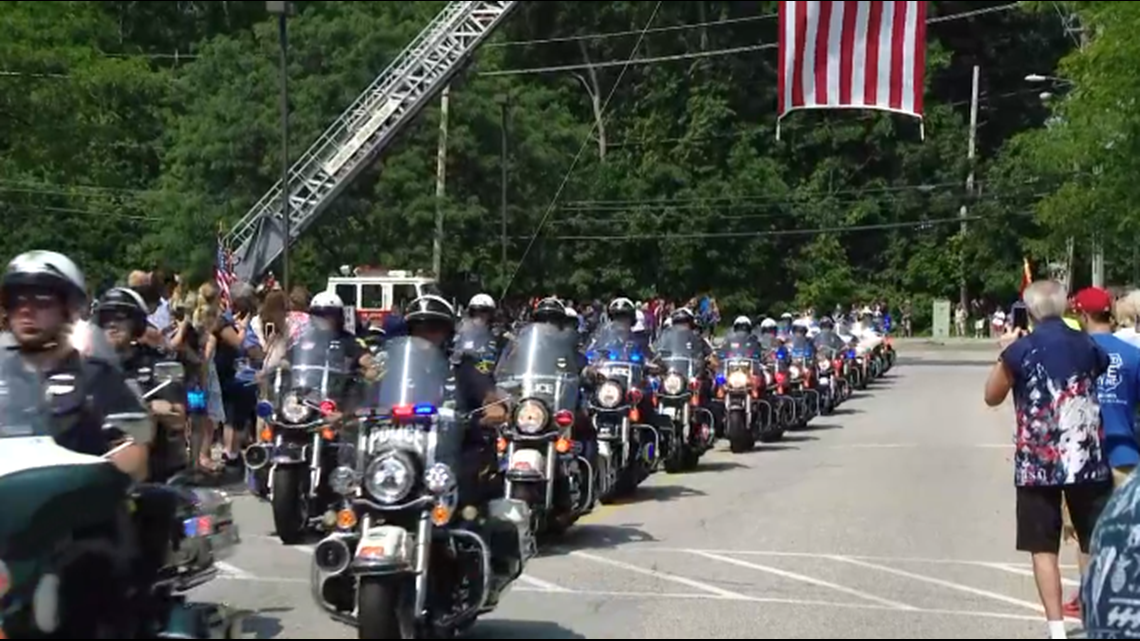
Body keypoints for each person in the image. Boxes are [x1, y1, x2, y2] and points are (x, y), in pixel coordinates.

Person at [984, 279, 1112, 640]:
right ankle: (1091, 618)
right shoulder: (1087, 343)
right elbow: (1098, 370)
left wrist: (1004, 351)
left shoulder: (1021, 349)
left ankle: (1056, 628)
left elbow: (992, 395)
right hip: (1086, 458)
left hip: (1037, 464)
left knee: (1043, 546)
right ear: (1064, 308)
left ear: (1031, 311)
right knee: (1091, 541)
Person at [1, 251, 151, 481]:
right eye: (17, 301)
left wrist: (119, 466)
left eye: (41, 301)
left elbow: (132, 452)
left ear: (69, 308)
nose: (26, 310)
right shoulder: (4, 373)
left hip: (75, 507)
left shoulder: (94, 374)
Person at [95, 286, 187, 481]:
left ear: (135, 323)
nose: (112, 325)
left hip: (153, 473)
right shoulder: (90, 368)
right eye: (106, 320)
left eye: (120, 318)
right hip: (96, 468)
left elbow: (178, 418)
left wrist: (154, 408)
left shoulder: (155, 365)